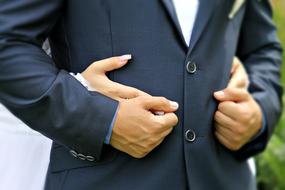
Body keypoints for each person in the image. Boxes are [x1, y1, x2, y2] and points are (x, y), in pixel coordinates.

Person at [0, 1, 282, 190]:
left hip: (224, 179)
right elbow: (7, 44)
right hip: (106, 179)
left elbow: (261, 48)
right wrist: (102, 119)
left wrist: (258, 111)